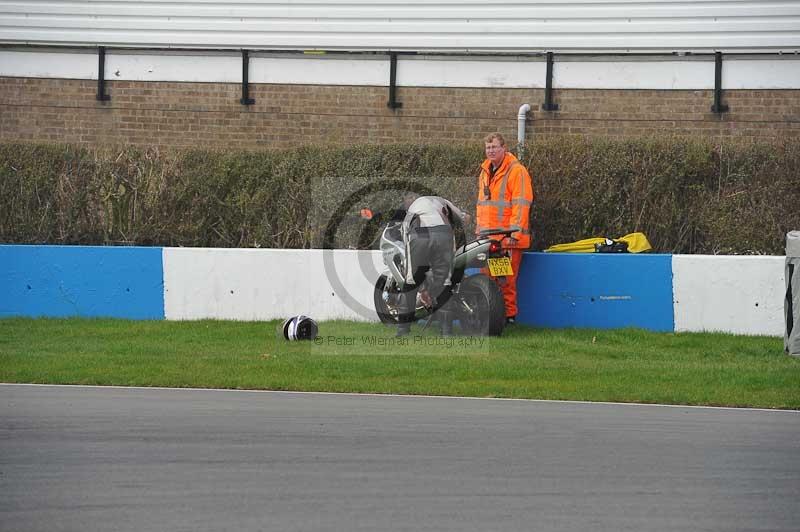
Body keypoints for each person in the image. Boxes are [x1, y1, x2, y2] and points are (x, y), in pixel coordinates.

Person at [475, 132, 534, 325]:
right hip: (488, 237)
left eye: (494, 147)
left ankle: (509, 317)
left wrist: (514, 233)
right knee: (487, 279)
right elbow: (482, 205)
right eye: (488, 147)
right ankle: (491, 317)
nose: (490, 151)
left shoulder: (517, 171)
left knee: (505, 280)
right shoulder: (485, 172)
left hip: (507, 238)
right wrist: (479, 231)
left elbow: (521, 204)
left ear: (504, 148)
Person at [396, 195, 469, 337]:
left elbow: (406, 238)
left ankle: (402, 331)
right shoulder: (441, 201)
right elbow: (462, 218)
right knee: (444, 283)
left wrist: (422, 288)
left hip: (419, 236)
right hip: (443, 234)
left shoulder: (411, 211)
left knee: (410, 282)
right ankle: (446, 332)